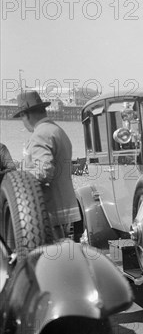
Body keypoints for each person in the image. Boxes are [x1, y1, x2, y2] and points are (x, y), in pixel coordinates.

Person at [13, 90, 81, 239]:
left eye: (21, 118)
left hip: (49, 211)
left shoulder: (40, 135)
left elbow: (44, 171)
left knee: (48, 257)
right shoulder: (57, 130)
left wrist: (18, 175)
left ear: (26, 115)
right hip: (64, 207)